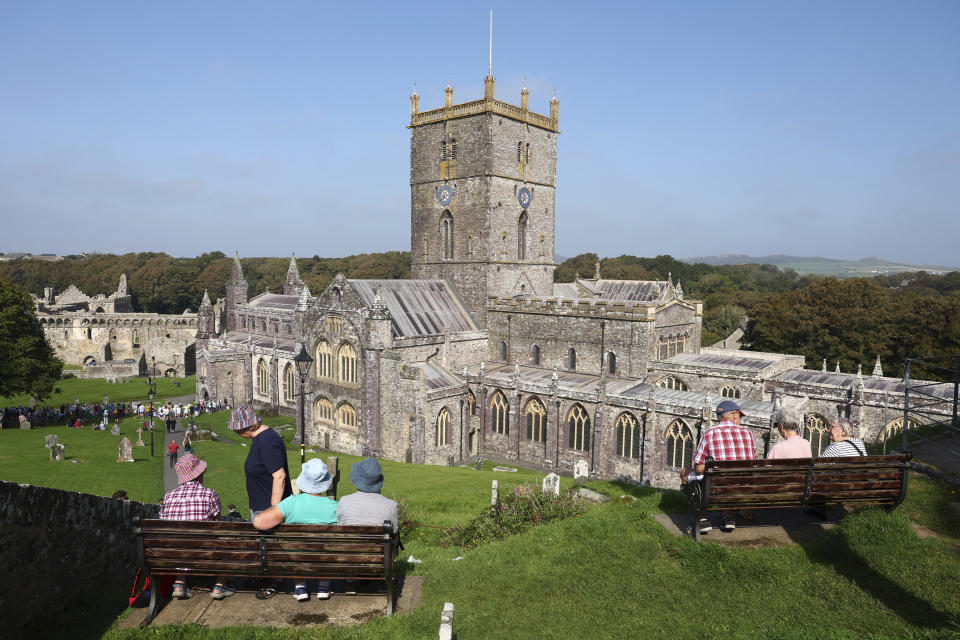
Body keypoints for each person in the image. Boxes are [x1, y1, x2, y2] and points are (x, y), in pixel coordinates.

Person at [229, 404, 293, 600]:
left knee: (271, 546)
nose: (238, 433)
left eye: (239, 430)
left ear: (248, 427)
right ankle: (266, 576)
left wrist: (274, 508)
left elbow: (279, 476)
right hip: (259, 503)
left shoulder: (267, 441)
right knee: (263, 545)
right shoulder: (259, 439)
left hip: (267, 506)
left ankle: (274, 581)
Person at [253, 458, 337, 601]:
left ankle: (300, 587)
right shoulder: (335, 506)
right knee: (326, 548)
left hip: (295, 558)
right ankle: (323, 586)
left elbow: (259, 522)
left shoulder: (291, 503)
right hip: (323, 559)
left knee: (293, 549)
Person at [158, 453, 234, 600]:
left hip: (173, 553)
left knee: (179, 541)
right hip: (203, 552)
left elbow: (162, 524)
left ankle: (180, 583)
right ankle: (219, 586)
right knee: (225, 542)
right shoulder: (209, 493)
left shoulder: (168, 496)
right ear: (198, 474)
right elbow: (218, 526)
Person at [680, 400, 757, 532]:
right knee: (731, 478)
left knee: (684, 473)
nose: (740, 419)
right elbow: (752, 463)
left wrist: (711, 468)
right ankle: (728, 516)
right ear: (734, 415)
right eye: (740, 416)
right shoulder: (748, 433)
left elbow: (698, 469)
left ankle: (703, 519)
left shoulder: (709, 433)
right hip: (741, 487)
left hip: (716, 488)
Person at [337, 457, 398, 533]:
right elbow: (394, 532)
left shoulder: (344, 502)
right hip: (379, 544)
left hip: (349, 544)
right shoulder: (391, 506)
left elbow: (339, 526)